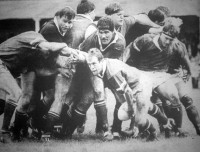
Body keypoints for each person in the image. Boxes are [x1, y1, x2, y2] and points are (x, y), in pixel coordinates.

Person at [0, 31, 76, 142]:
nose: (47, 55)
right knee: (15, 93)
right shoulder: (35, 37)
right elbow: (48, 46)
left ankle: (15, 132)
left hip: (5, 68)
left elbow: (39, 71)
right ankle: (4, 133)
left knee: (9, 103)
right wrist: (64, 46)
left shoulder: (33, 55)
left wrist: (58, 69)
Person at [85, 48, 173, 141]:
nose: (92, 67)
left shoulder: (112, 73)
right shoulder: (104, 65)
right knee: (145, 106)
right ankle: (167, 123)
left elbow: (127, 92)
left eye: (94, 63)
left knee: (139, 119)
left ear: (101, 61)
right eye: (89, 64)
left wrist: (131, 109)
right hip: (136, 81)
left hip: (140, 84)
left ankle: (153, 134)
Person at [124, 17, 192, 137]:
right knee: (141, 101)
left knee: (174, 97)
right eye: (166, 38)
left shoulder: (176, 46)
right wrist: (123, 65)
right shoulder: (145, 39)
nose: (167, 42)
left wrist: (187, 74)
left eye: (171, 40)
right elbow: (129, 49)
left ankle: (178, 129)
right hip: (143, 73)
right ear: (161, 33)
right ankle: (134, 128)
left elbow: (185, 62)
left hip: (161, 74)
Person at [63, 16, 126, 140]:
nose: (103, 36)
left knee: (121, 96)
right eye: (101, 32)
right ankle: (67, 130)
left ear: (114, 31)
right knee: (88, 98)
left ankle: (116, 130)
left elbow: (109, 63)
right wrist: (82, 58)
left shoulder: (120, 42)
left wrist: (86, 58)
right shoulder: (91, 39)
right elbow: (80, 53)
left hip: (111, 70)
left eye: (106, 32)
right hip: (92, 69)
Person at [32, 6, 76, 140]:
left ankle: (40, 125)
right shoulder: (50, 29)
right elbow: (46, 54)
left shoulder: (68, 30)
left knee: (51, 95)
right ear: (57, 18)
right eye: (65, 21)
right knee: (31, 98)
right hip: (36, 65)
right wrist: (60, 69)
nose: (67, 25)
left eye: (70, 22)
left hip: (49, 66)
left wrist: (67, 64)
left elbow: (64, 53)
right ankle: (31, 123)